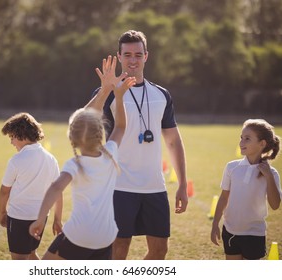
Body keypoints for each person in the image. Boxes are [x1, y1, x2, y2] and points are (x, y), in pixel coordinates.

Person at [90, 30, 188, 260]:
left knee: (159, 250)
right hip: (118, 186)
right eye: (127, 55)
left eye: (137, 54)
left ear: (146, 56)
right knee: (119, 248)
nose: (132, 60)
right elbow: (84, 120)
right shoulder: (109, 92)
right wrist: (105, 89)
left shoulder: (161, 94)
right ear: (119, 56)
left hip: (155, 187)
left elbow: (173, 141)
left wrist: (182, 183)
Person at [29, 56, 137, 260]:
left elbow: (55, 188)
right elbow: (121, 126)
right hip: (107, 237)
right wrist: (119, 96)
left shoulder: (75, 164)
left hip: (79, 236)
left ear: (73, 138)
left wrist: (40, 219)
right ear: (101, 133)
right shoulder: (111, 154)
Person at [211, 119, 282, 260]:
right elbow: (224, 197)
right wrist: (215, 224)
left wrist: (268, 176)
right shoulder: (232, 167)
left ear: (262, 144)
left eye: (247, 139)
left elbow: (275, 205)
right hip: (230, 231)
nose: (241, 142)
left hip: (255, 234)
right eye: (241, 138)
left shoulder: (272, 173)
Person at [0, 112, 62, 260]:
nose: (11, 142)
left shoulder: (16, 160)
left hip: (19, 217)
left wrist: (2, 213)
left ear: (21, 135)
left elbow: (4, 191)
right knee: (31, 253)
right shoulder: (51, 159)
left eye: (12, 137)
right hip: (41, 217)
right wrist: (57, 219)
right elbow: (57, 191)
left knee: (19, 259)